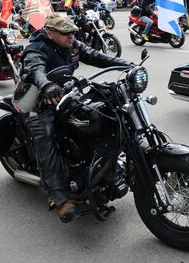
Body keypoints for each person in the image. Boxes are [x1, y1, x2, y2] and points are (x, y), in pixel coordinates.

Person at [19, 14, 131, 223]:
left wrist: (125, 64)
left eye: (72, 32)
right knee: (46, 135)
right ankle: (59, 197)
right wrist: (47, 85)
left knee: (106, 112)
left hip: (66, 93)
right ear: (50, 32)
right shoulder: (37, 49)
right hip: (40, 100)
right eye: (65, 33)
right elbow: (36, 71)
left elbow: (95, 55)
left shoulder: (72, 44)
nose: (71, 36)